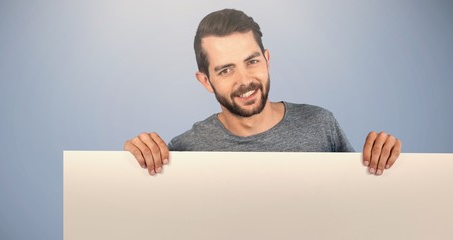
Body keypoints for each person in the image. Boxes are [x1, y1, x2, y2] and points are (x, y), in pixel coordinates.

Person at [124, 9, 401, 176]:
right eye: (225, 70)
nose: (245, 80)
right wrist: (132, 159)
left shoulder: (320, 125)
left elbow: (359, 201)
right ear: (205, 81)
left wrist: (382, 158)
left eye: (252, 61)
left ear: (267, 59)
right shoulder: (186, 148)